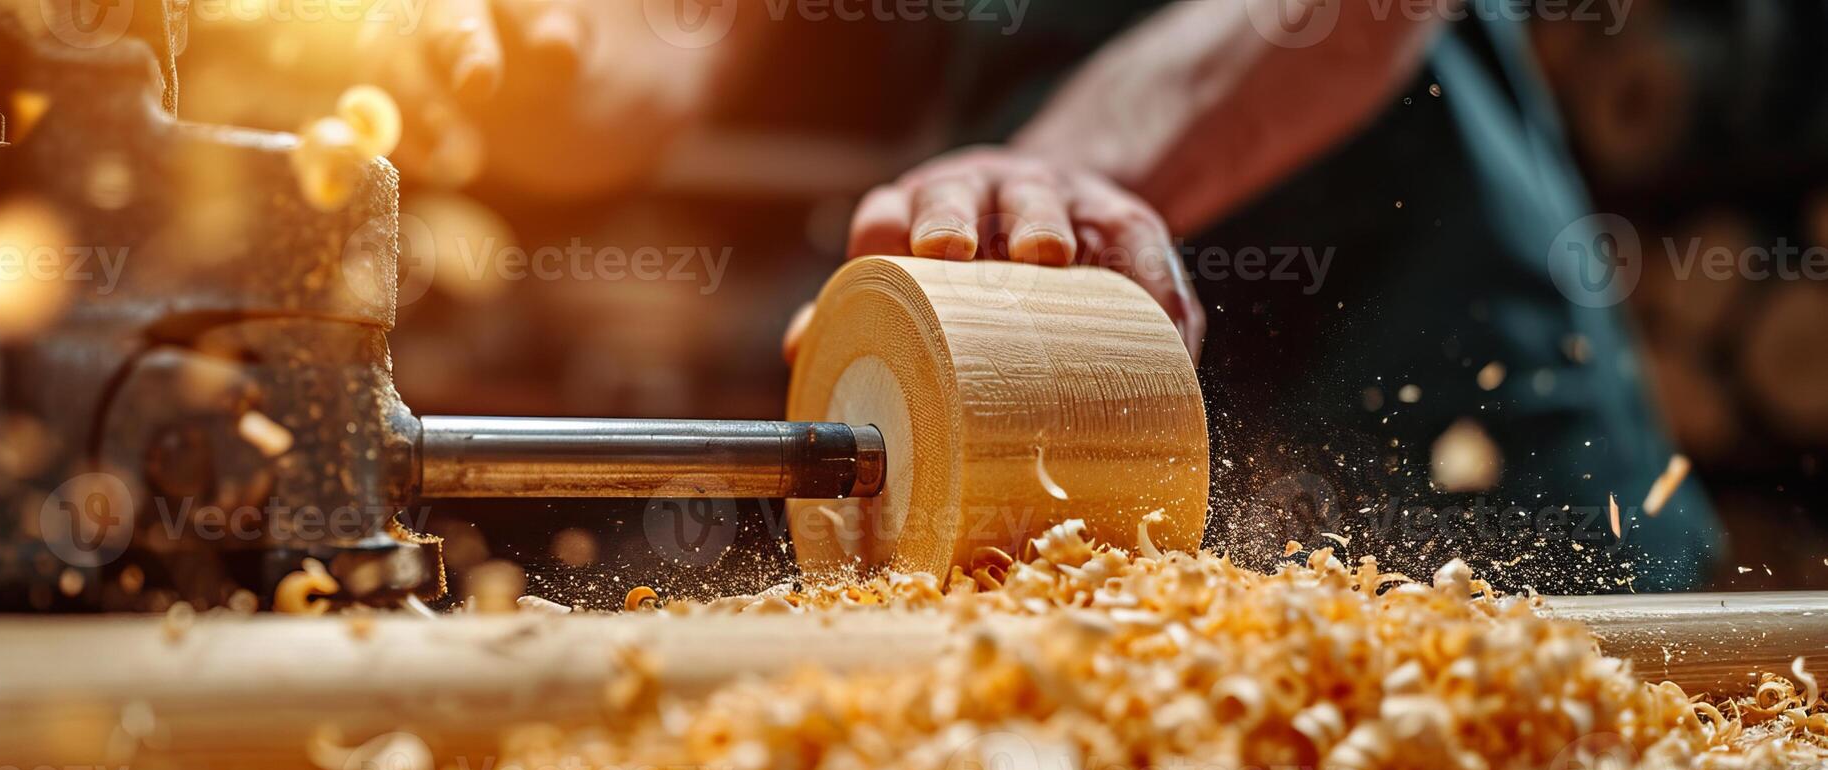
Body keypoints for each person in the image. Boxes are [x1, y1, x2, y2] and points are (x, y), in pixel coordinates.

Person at [382, 0, 1722, 592]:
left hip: (1441, 402)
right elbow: (668, 44)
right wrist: (534, 56)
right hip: (1037, 443)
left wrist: (1051, 191)